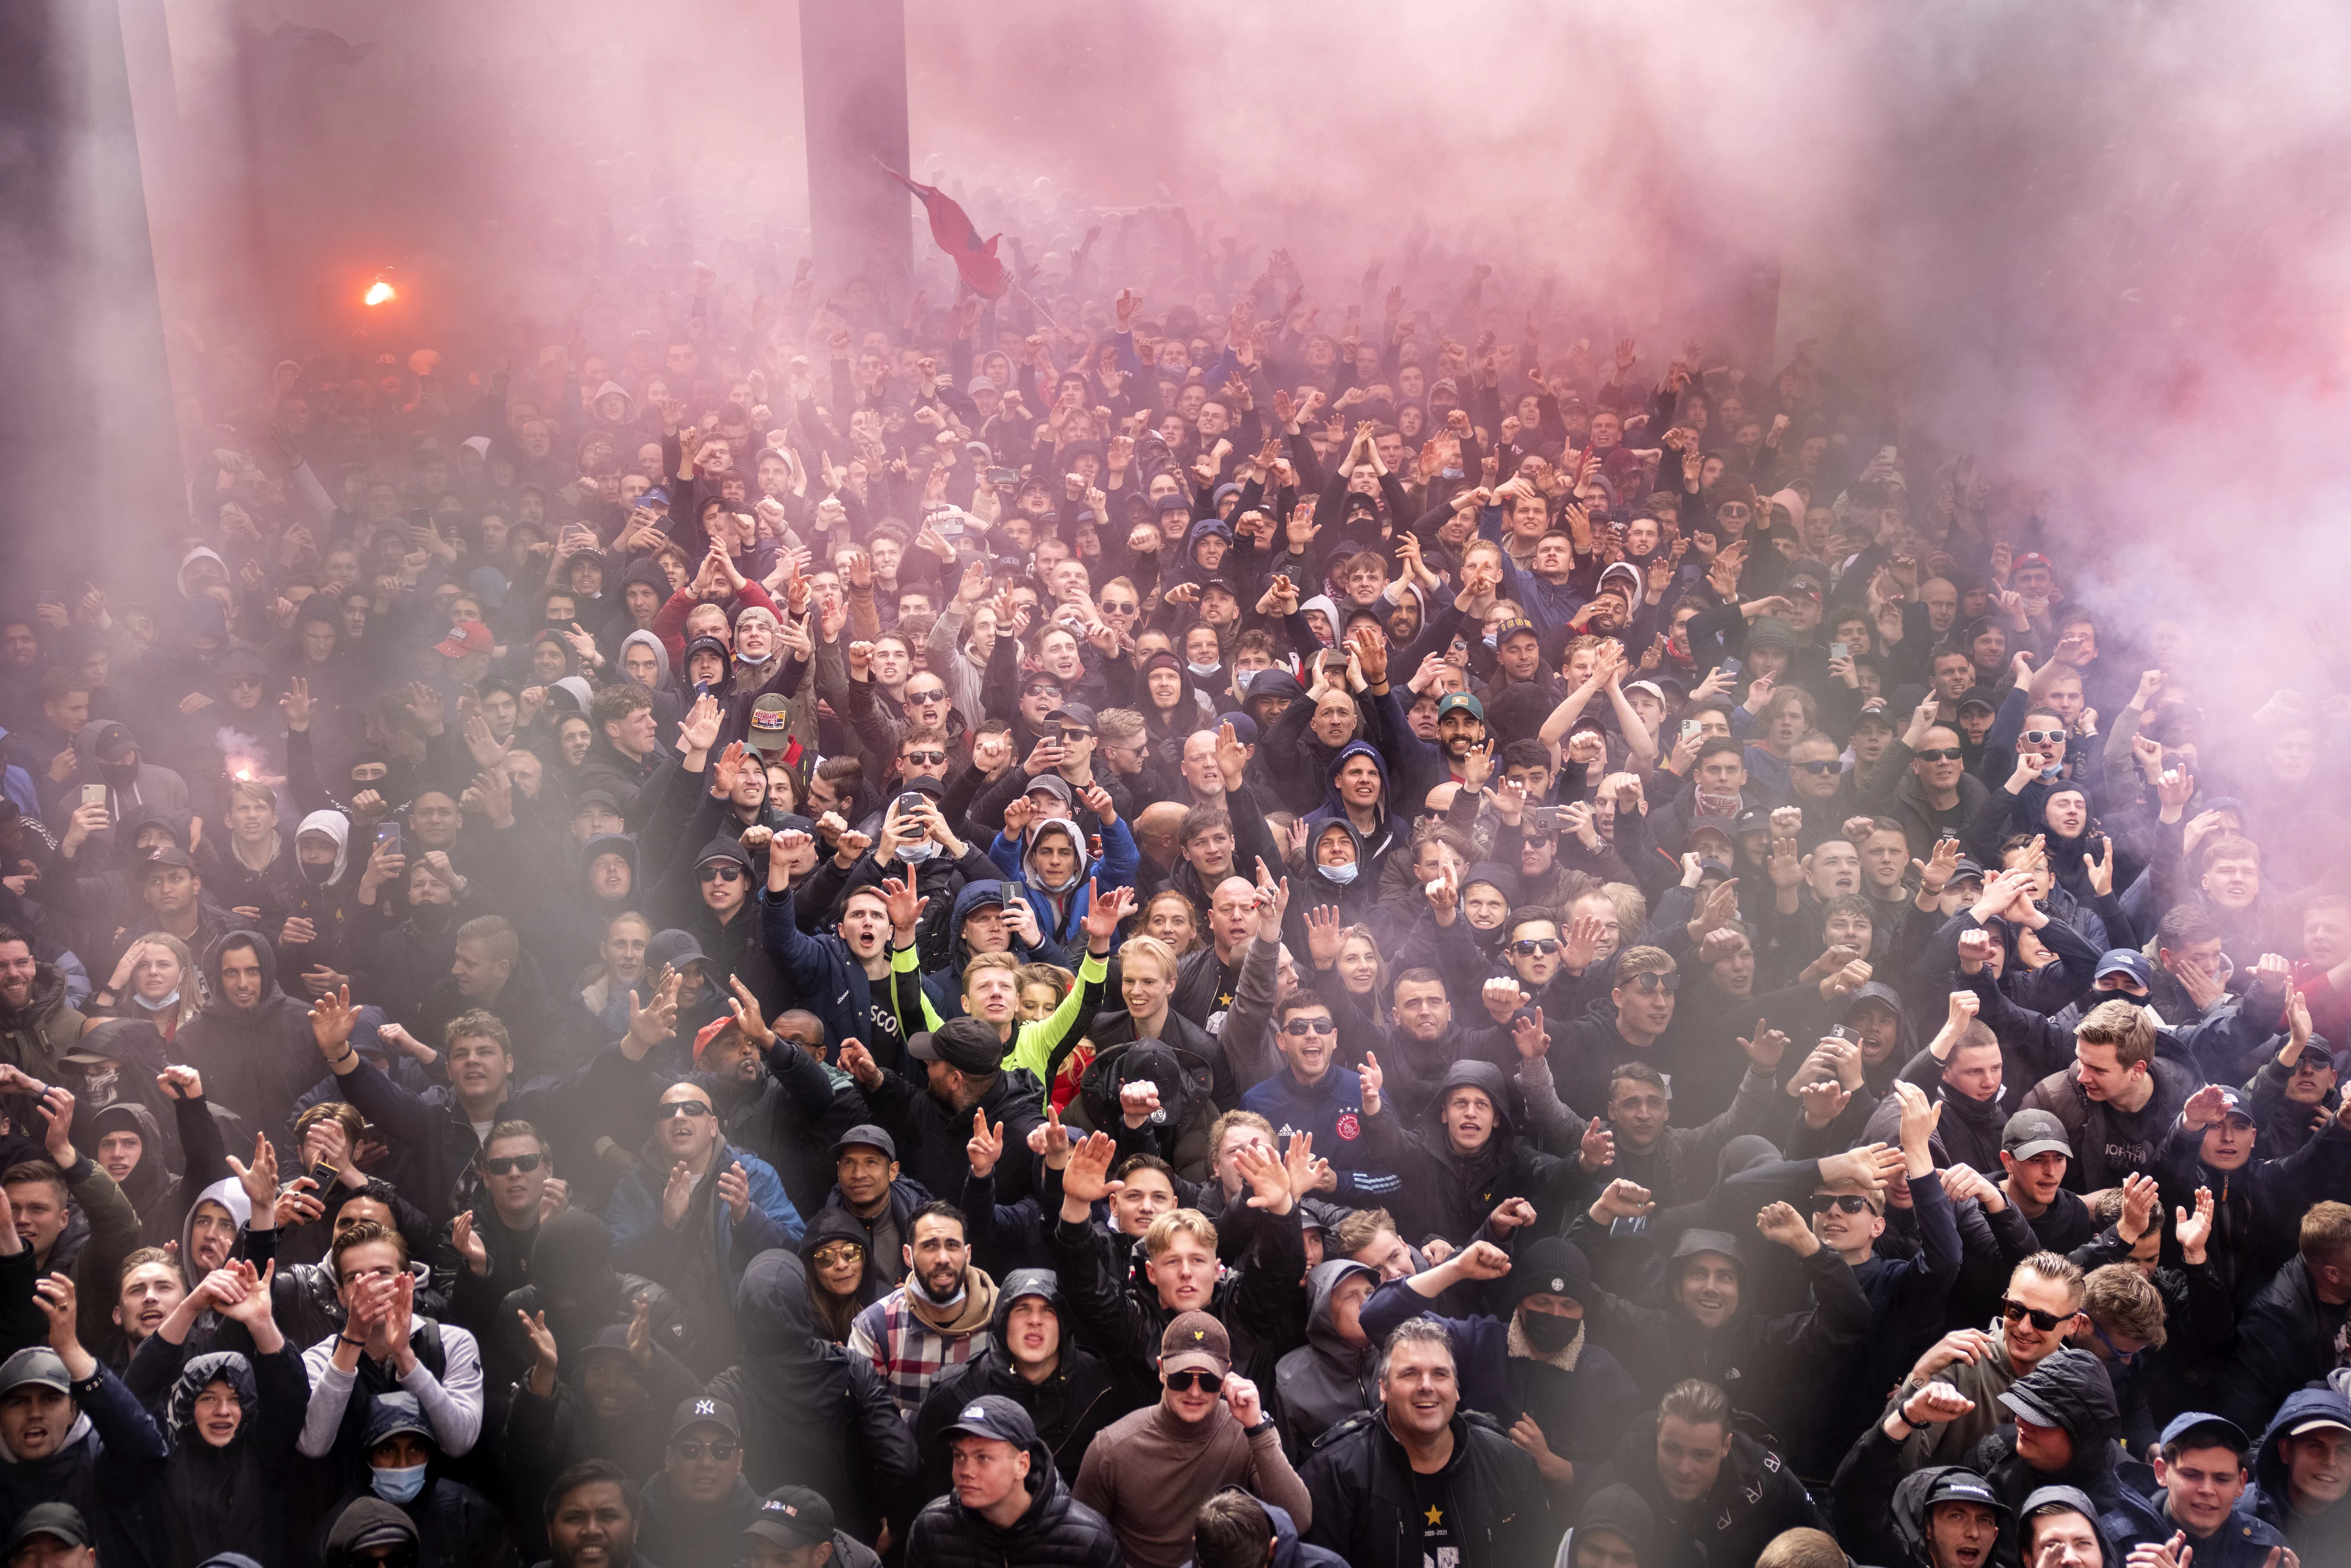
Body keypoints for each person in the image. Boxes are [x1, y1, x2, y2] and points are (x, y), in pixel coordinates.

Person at [1299, 1317, 1546, 1568]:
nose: (1427, 1386)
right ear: (1383, 1389)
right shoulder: (1335, 1474)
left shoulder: (1507, 1463)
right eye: (1410, 1374)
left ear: (1456, 1389)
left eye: (1440, 1374)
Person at [1074, 1312, 1310, 1568]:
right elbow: (1081, 1542)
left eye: (1208, 1380)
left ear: (1226, 1376)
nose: (1195, 1391)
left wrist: (1257, 1428)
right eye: (1182, 1377)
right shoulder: (1111, 1448)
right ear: (1162, 1371)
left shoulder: (1247, 1429)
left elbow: (1298, 1521)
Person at [912, 1267, 1120, 1504]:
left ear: (1063, 1323)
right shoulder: (955, 1392)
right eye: (1022, 1309)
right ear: (1003, 1321)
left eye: (1048, 1310)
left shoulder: (1099, 1386)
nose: (1034, 1321)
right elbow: (930, 1488)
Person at [905, 1394, 1123, 1568]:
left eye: (983, 1458)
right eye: (959, 1456)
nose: (966, 1471)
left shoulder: (1089, 1540)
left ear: (1023, 1465)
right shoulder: (931, 1528)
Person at [634, 1397, 761, 1568]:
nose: (706, 1463)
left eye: (721, 1450)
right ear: (669, 1458)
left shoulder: (765, 1526)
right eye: (691, 1449)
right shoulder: (634, 1522)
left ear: (739, 1461)